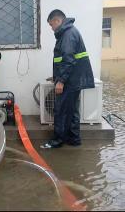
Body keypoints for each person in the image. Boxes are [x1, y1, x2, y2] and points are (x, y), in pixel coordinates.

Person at [41, 10, 95, 149]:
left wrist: (61, 81)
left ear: (58, 21)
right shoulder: (70, 32)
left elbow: (68, 60)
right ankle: (74, 138)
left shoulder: (67, 34)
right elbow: (65, 60)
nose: (51, 27)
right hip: (73, 80)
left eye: (51, 24)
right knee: (72, 110)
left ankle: (57, 140)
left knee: (61, 110)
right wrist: (56, 77)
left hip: (69, 81)